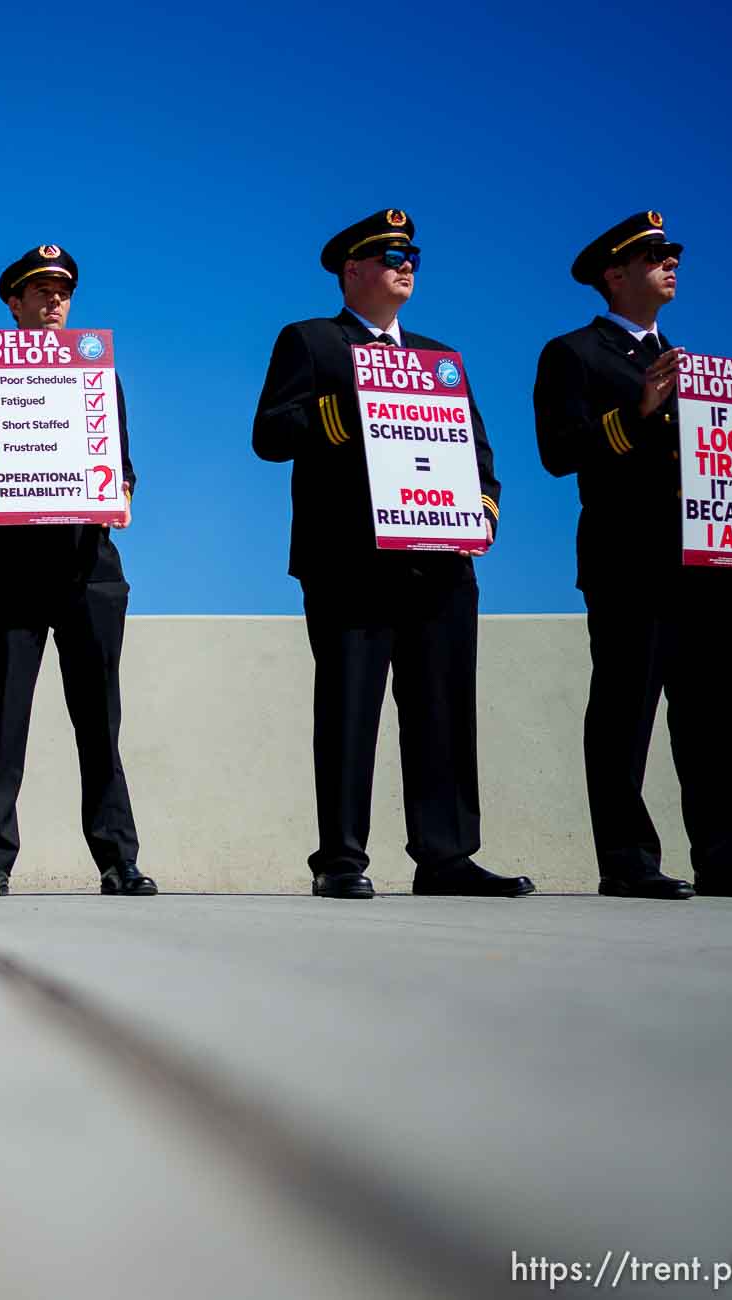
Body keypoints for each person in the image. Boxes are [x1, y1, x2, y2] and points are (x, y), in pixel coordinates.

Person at [252, 209, 529, 900]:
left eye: (412, 256)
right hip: (350, 561)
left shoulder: (438, 359)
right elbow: (270, 432)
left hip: (439, 562)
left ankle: (447, 857)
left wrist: (481, 512)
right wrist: (347, 410)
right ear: (352, 270)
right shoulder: (313, 341)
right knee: (350, 711)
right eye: (390, 254)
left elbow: (477, 451)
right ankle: (341, 860)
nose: (406, 264)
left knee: (443, 711)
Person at [534, 211, 732, 899]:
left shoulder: (700, 368)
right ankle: (627, 860)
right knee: (625, 714)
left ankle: (725, 857)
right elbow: (559, 452)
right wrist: (637, 412)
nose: (670, 261)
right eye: (654, 254)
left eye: (672, 252)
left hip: (710, 568)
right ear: (614, 273)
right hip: (631, 565)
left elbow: (719, 462)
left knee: (718, 716)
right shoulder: (574, 354)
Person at [0, 245, 155, 898]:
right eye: (39, 290)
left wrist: (122, 491)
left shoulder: (99, 371)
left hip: (89, 567)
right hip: (14, 570)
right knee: (4, 722)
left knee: (100, 724)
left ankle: (118, 859)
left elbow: (121, 462)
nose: (53, 300)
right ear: (13, 302)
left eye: (62, 290)